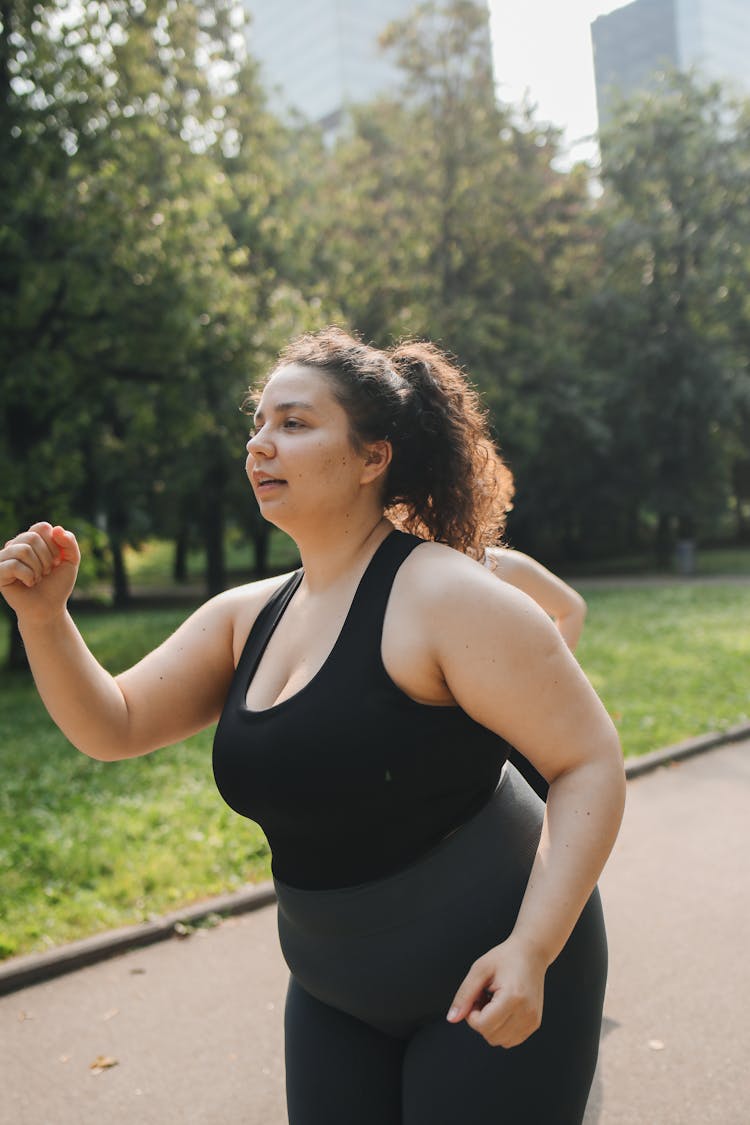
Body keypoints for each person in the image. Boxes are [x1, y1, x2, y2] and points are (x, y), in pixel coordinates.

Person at [0, 327, 625, 1125]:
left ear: (374, 457)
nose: (261, 445)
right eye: (257, 425)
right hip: (333, 993)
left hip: (498, 972)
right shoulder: (245, 615)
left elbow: (590, 761)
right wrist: (45, 619)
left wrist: (533, 947)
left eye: (294, 423)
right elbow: (113, 725)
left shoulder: (448, 596)